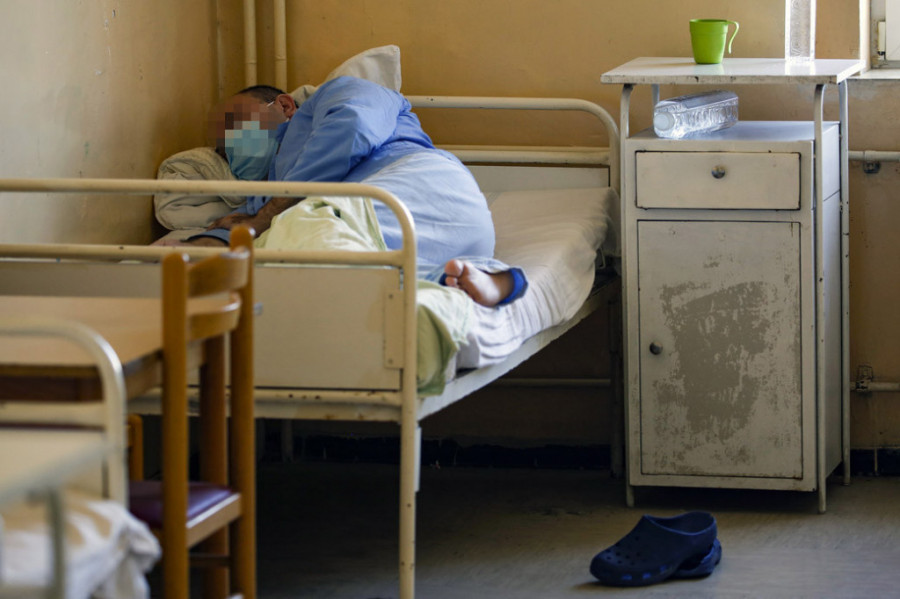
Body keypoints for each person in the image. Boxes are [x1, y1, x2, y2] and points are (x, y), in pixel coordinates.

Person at [163, 76, 526, 307]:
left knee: (302, 235)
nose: (232, 141)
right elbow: (241, 232)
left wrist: (266, 216)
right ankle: (471, 280)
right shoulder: (264, 193)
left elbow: (353, 128)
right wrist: (198, 245)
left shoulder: (338, 94)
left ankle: (475, 279)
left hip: (422, 186)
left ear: (285, 105)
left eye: (235, 124)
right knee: (298, 259)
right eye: (225, 146)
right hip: (438, 247)